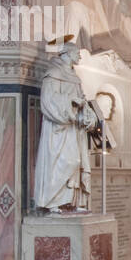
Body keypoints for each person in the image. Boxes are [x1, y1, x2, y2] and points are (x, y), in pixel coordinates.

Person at [33, 40, 95, 211]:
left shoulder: (74, 77)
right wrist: (70, 102)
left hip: (74, 129)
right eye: (77, 52)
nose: (80, 55)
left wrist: (87, 113)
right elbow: (47, 100)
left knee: (77, 162)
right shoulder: (53, 73)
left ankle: (71, 200)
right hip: (58, 130)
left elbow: (82, 100)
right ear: (66, 53)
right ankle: (53, 201)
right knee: (66, 161)